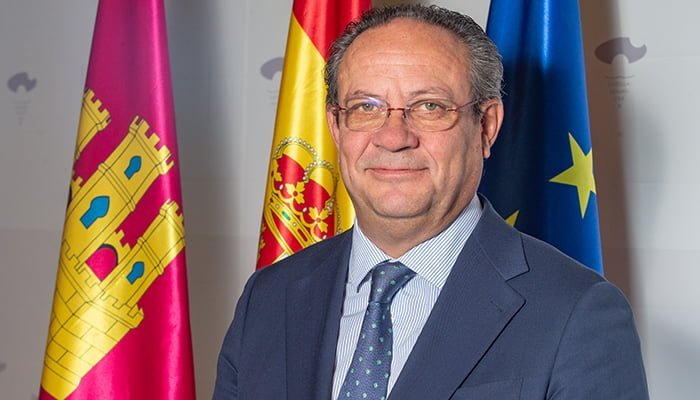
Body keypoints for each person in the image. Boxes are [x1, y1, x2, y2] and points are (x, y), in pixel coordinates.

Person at [213, 5, 648, 399]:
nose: (393, 138)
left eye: (429, 107)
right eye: (366, 107)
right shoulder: (267, 298)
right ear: (336, 126)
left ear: (486, 126)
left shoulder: (577, 313)